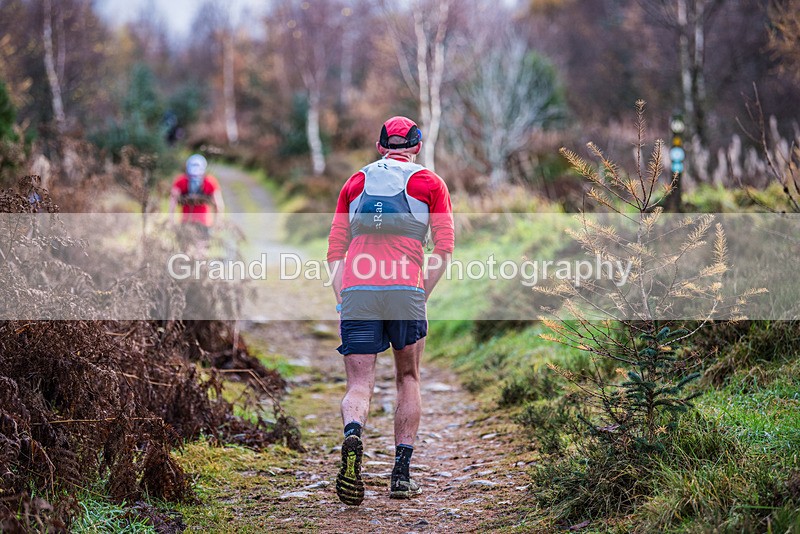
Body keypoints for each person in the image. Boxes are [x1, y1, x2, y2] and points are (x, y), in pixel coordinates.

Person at [327, 116, 454, 505]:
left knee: (359, 385)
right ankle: (401, 475)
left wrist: (343, 298)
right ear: (415, 146)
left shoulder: (355, 182)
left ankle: (353, 433)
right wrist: (421, 295)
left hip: (359, 291)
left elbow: (335, 251)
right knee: (408, 378)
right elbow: (444, 248)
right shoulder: (430, 183)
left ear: (381, 146)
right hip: (406, 290)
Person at [169, 154, 225, 239]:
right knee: (200, 249)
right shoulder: (210, 182)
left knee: (185, 249)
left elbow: (172, 203)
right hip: (202, 223)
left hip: (187, 222)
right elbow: (219, 205)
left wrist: (171, 221)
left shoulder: (181, 181)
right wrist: (218, 222)